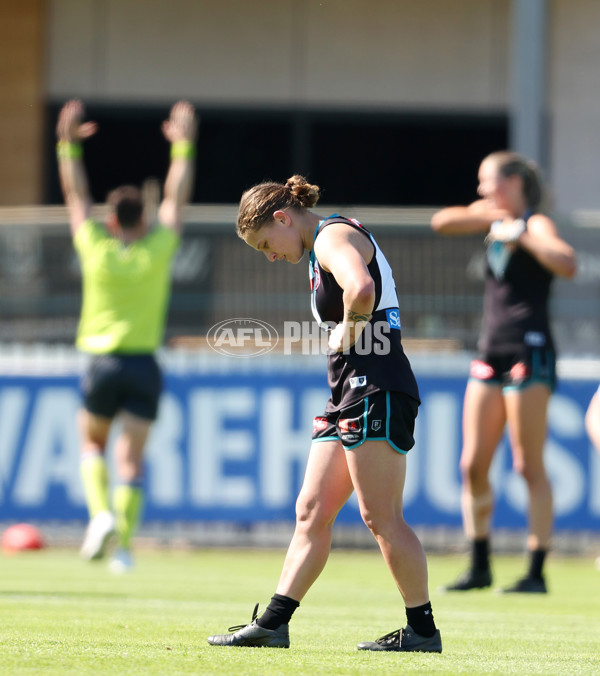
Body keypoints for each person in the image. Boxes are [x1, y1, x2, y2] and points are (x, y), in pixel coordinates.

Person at [206, 175, 442, 652]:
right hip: (350, 393)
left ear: (282, 218)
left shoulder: (333, 235)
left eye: (266, 244)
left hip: (376, 387)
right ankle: (273, 623)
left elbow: (361, 290)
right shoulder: (318, 248)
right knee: (311, 511)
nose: (270, 256)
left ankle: (422, 630)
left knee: (381, 518)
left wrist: (348, 331)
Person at [56, 98, 198, 572]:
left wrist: (68, 148)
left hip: (101, 361)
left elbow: (76, 199)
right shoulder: (158, 248)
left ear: (113, 221)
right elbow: (177, 201)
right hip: (143, 364)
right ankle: (124, 550)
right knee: (131, 462)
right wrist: (183, 148)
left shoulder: (96, 248)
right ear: (145, 218)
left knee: (92, 445)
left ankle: (100, 517)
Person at [430, 151, 577, 593]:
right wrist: (492, 219)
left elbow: (565, 261)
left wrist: (521, 233)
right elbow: (442, 222)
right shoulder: (490, 216)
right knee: (472, 464)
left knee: (527, 464)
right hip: (489, 352)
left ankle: (535, 570)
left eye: (487, 180)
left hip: (529, 351)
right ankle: (479, 564)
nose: (480, 189)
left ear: (512, 181)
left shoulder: (536, 223)